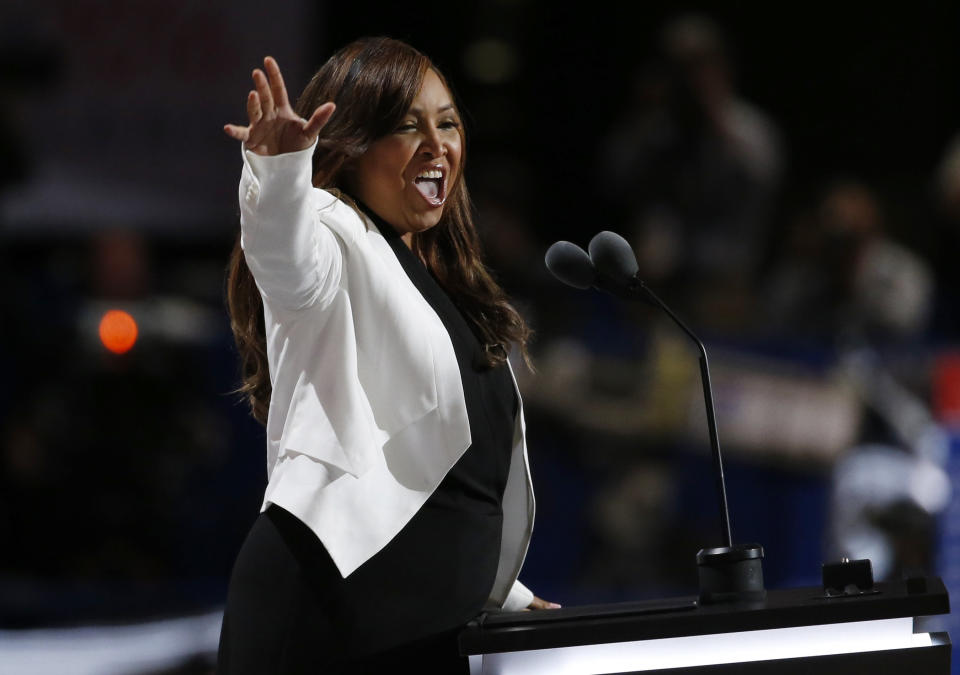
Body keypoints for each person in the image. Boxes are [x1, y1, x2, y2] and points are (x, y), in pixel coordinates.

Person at [218, 37, 557, 673]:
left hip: (423, 627)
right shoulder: (331, 230)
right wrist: (281, 172)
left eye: (448, 122)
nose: (437, 145)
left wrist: (500, 589)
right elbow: (285, 259)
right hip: (325, 607)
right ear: (351, 144)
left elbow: (439, 475)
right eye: (407, 125)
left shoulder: (443, 289)